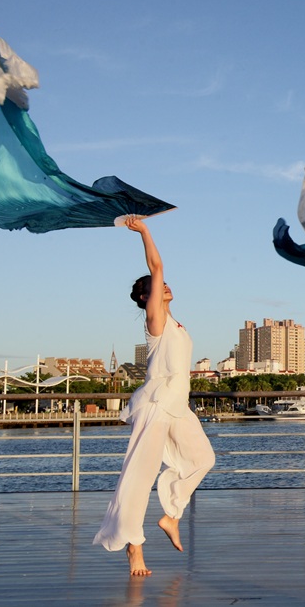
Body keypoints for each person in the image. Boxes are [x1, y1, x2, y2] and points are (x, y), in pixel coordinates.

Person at [94, 217, 216, 575]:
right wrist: (144, 232)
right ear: (146, 298)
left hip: (177, 405)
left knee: (203, 459)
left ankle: (171, 515)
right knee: (139, 476)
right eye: (157, 286)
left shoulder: (174, 323)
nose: (165, 285)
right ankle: (134, 546)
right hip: (157, 404)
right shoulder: (156, 322)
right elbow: (157, 267)